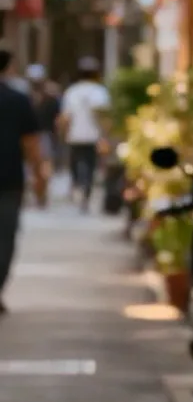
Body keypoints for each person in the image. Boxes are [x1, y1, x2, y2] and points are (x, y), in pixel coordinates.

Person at [0, 50, 49, 312]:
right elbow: (31, 144)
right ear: (8, 67)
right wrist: (40, 179)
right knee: (5, 239)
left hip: (10, 181)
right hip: (8, 179)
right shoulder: (18, 100)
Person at [58, 57, 110, 211]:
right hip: (93, 136)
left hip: (75, 136)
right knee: (91, 165)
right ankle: (85, 192)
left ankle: (78, 187)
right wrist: (105, 135)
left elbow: (65, 117)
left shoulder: (72, 92)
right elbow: (103, 116)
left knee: (76, 163)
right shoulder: (100, 92)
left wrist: (63, 134)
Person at [26, 66, 60, 203]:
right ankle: (39, 193)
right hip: (35, 135)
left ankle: (41, 193)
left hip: (41, 134)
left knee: (42, 166)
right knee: (37, 166)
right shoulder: (25, 97)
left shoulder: (48, 98)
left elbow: (56, 118)